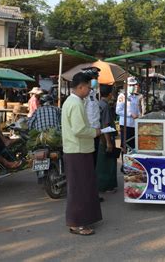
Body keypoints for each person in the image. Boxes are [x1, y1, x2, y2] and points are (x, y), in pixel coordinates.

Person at [61, 72, 102, 236]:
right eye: (87, 87)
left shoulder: (73, 101)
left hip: (79, 149)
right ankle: (76, 223)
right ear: (80, 87)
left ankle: (84, 218)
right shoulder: (76, 103)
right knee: (79, 188)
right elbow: (79, 130)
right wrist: (95, 132)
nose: (89, 91)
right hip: (77, 150)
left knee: (85, 186)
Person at [96, 84, 118, 193]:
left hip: (99, 137)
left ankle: (102, 185)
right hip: (105, 137)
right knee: (108, 163)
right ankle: (107, 186)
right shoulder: (105, 106)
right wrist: (109, 142)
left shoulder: (98, 104)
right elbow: (106, 125)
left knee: (102, 163)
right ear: (109, 94)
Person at [82, 67, 101, 168]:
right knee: (88, 161)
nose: (95, 80)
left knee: (93, 161)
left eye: (96, 78)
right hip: (88, 132)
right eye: (93, 78)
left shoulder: (93, 94)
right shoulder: (83, 96)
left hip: (95, 132)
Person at [116, 77, 140, 152]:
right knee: (125, 145)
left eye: (133, 85)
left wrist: (139, 116)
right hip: (125, 125)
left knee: (133, 146)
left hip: (134, 125)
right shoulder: (122, 96)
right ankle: (124, 161)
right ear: (126, 85)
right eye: (130, 85)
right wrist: (130, 114)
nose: (132, 87)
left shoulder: (135, 97)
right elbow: (118, 111)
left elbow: (137, 109)